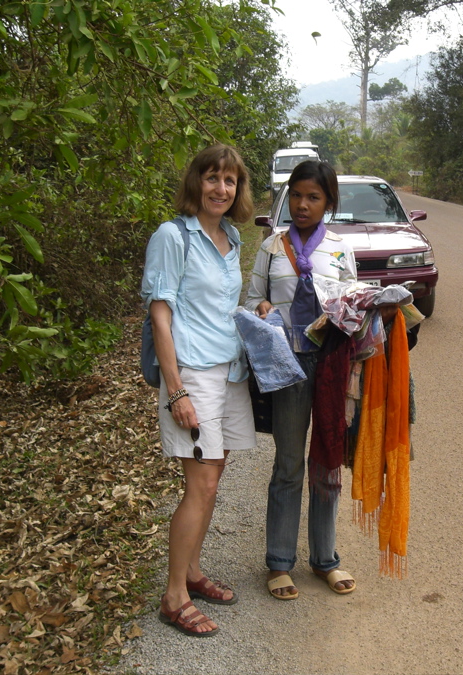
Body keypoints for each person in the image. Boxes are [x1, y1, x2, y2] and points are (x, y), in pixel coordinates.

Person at [141, 144, 256, 637]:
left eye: (230, 182)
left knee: (215, 478)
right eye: (212, 178)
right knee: (200, 485)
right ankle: (173, 597)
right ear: (196, 182)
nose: (221, 189)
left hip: (230, 373)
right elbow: (160, 315)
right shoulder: (173, 236)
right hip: (192, 376)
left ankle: (191, 572)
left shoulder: (230, 237)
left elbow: (220, 309)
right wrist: (176, 391)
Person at [245, 160, 359, 600]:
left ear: (329, 203)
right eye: (296, 195)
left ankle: (325, 559)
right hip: (288, 367)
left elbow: (355, 300)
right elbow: (254, 298)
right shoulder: (272, 247)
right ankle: (278, 562)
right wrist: (262, 311)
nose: (303, 205)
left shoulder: (339, 248)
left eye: (313, 197)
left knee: (328, 462)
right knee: (289, 464)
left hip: (331, 368)